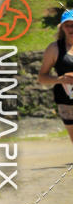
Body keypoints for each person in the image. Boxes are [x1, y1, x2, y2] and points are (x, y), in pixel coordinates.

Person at [38, 9, 73, 143]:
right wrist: (60, 80)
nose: (71, 28)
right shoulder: (54, 49)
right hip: (66, 101)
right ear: (62, 27)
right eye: (67, 25)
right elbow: (42, 77)